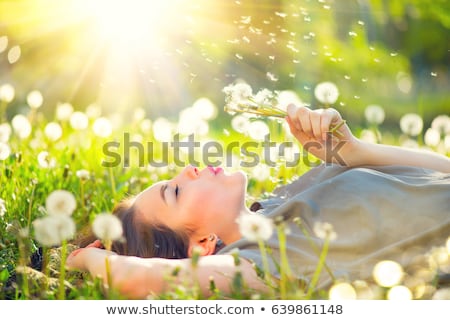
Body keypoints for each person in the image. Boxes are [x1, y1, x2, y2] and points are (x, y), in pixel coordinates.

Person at [66, 104, 450, 299]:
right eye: (176, 192)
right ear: (201, 245)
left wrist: (353, 151)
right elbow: (138, 279)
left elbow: (441, 173)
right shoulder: (260, 260)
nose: (187, 169)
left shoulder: (277, 204)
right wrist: (87, 259)